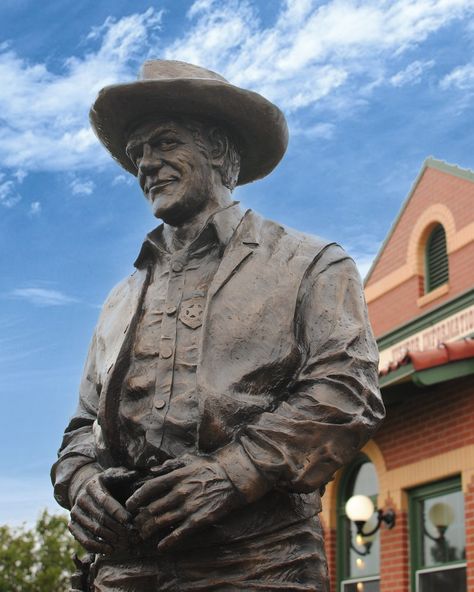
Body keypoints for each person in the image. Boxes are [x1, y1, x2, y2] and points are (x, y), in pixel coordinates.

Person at [52, 60, 384, 592]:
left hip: (259, 564)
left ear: (220, 152)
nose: (148, 165)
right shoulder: (120, 299)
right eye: (138, 153)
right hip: (122, 567)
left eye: (165, 143)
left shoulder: (310, 263)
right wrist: (83, 480)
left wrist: (234, 471)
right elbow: (81, 428)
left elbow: (347, 392)